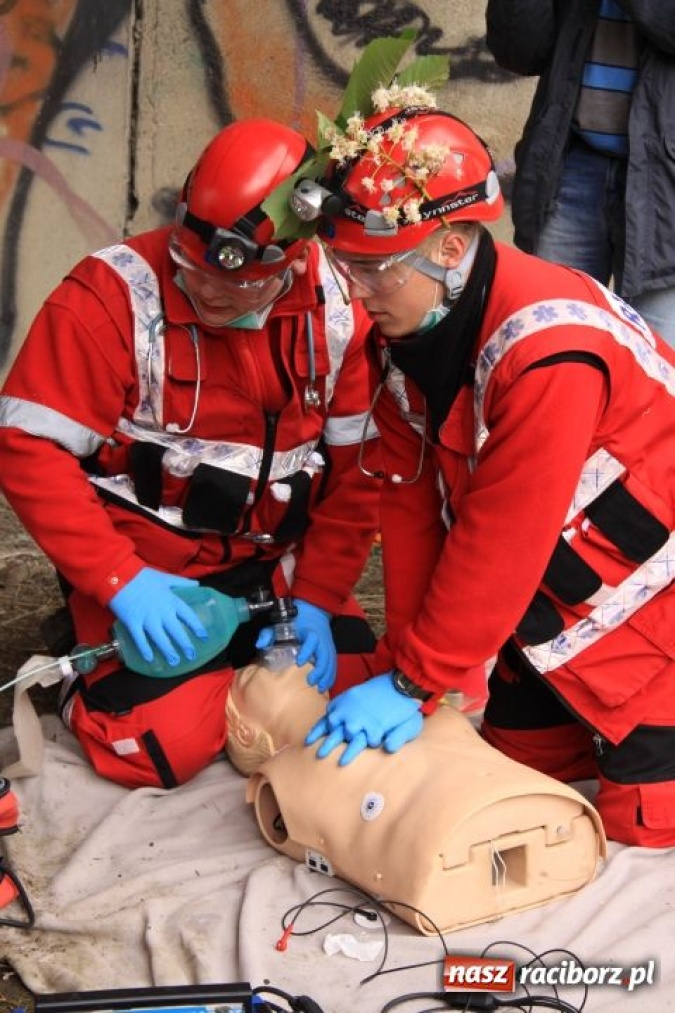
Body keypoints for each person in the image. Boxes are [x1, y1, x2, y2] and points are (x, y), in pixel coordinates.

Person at [283, 89, 675, 847]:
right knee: (514, 776)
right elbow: (404, 508)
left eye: (374, 272)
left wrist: (410, 681)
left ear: (451, 248)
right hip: (553, 613)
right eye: (345, 271)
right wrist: (414, 669)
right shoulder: (413, 342)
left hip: (656, 622)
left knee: (642, 832)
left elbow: (502, 532)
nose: (358, 300)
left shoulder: (547, 351)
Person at [0, 118, 381, 790]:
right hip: (151, 568)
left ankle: (237, 662)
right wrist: (119, 579)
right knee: (153, 747)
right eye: (189, 270)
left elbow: (360, 478)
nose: (204, 292)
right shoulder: (111, 295)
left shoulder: (341, 307)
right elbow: (27, 447)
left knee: (351, 703)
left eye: (232, 287)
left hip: (278, 562)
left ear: (290, 263)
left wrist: (318, 596)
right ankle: (86, 665)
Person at [485, 0, 675, 346]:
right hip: (570, 167)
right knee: (555, 346)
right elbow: (521, 53)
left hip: (666, 190)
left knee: (659, 371)